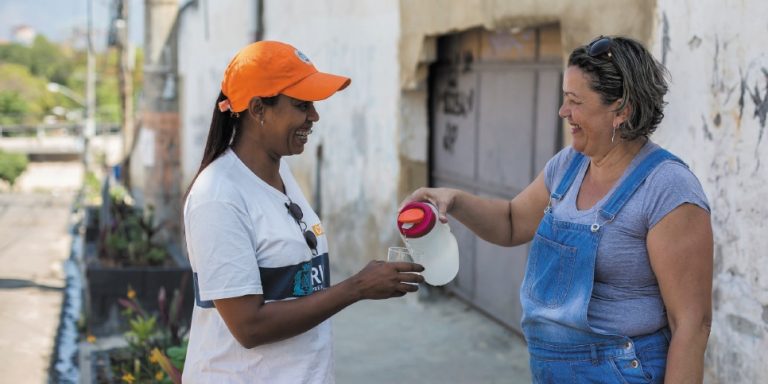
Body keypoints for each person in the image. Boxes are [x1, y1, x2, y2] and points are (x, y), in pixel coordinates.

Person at [404, 35, 712, 383]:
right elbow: (510, 223)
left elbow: (691, 323)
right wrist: (454, 200)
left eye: (574, 101)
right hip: (552, 370)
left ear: (621, 110)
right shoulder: (569, 165)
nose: (563, 112)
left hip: (621, 372)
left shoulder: (667, 187)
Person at [182, 40, 424, 383]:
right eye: (301, 105)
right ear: (257, 110)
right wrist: (356, 288)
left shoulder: (280, 174)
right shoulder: (218, 197)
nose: (314, 116)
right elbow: (249, 326)